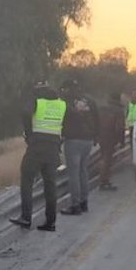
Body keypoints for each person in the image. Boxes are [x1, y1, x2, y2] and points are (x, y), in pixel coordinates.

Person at [10, 81, 67, 232]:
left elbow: (25, 113)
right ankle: (50, 222)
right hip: (53, 147)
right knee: (50, 185)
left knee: (27, 178)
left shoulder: (37, 101)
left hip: (37, 146)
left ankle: (26, 217)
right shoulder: (61, 104)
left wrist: (29, 134)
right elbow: (65, 124)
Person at [60, 78, 100, 215]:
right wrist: (96, 136)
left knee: (73, 174)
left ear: (67, 88)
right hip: (88, 141)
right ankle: (84, 203)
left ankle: (75, 205)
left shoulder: (65, 102)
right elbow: (97, 119)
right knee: (83, 171)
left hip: (73, 140)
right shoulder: (90, 100)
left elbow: (61, 120)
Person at [97, 91, 125, 190]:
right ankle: (104, 181)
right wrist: (121, 141)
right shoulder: (118, 111)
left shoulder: (102, 108)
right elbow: (120, 127)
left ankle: (103, 180)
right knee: (108, 159)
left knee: (103, 157)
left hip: (101, 136)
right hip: (111, 137)